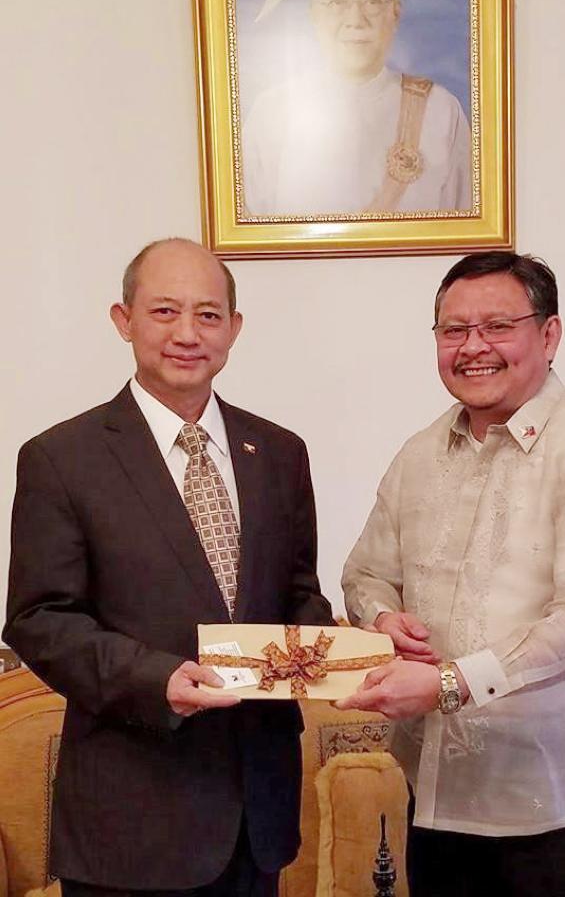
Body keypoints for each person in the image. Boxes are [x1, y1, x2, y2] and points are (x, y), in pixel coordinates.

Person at [3, 238, 333, 897]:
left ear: (234, 330)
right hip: (131, 822)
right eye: (164, 312)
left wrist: (336, 656)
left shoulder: (277, 451)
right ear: (123, 320)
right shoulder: (61, 458)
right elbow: (40, 620)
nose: (187, 333)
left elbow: (297, 594)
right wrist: (159, 679)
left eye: (208, 315)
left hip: (256, 814)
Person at [339, 251, 565, 896]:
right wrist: (381, 616)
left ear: (549, 334)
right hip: (434, 786)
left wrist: (451, 683)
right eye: (453, 331)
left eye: (496, 326)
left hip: (559, 802)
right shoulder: (420, 454)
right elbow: (363, 575)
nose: (472, 347)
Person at [241, 0, 472, 218]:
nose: (355, 20)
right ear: (314, 15)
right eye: (337, 2)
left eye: (373, 2)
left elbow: (468, 239)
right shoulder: (271, 112)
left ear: (395, 13)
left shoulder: (440, 110)